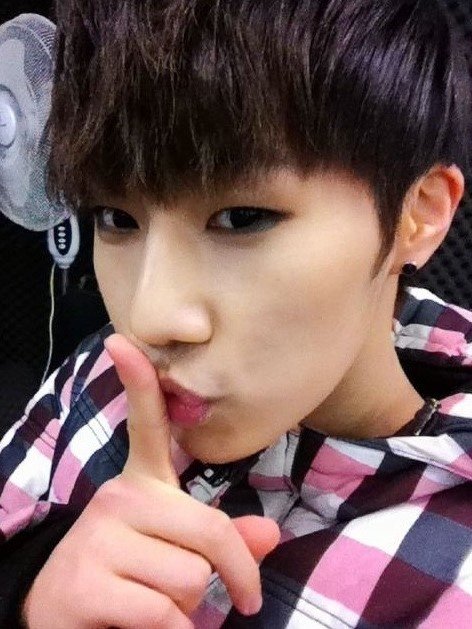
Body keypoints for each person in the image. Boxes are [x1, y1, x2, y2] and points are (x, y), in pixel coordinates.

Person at [1, 0, 472, 626]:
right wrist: (27, 591)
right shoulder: (98, 375)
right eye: (116, 218)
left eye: (241, 218)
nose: (148, 316)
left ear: (418, 214)